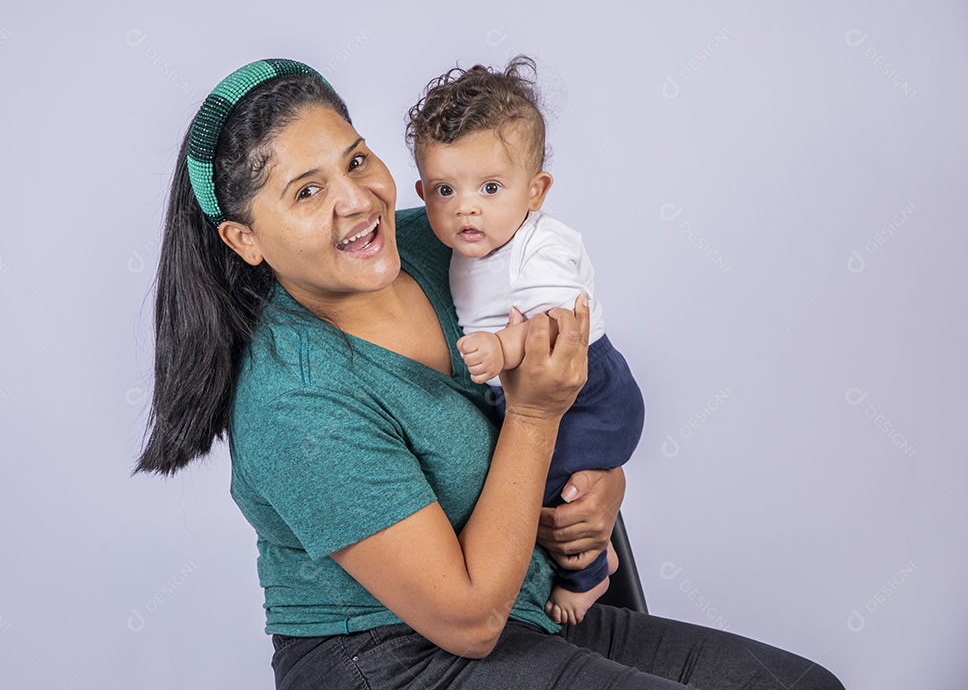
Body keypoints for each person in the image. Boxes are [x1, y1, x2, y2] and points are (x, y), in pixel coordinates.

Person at [135, 57, 844, 690]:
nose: (356, 203)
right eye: (305, 193)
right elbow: (469, 619)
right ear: (244, 239)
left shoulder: (440, 240)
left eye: (355, 162)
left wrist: (603, 480)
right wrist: (535, 418)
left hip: (527, 611)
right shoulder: (297, 396)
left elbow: (578, 374)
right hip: (394, 659)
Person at [407, 57, 645, 625]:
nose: (466, 206)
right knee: (526, 483)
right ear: (422, 191)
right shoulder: (468, 242)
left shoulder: (539, 248)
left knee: (544, 484)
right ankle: (596, 553)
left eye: (490, 187)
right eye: (445, 189)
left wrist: (501, 350)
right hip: (533, 393)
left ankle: (588, 577)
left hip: (587, 389)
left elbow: (558, 332)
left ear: (535, 191)